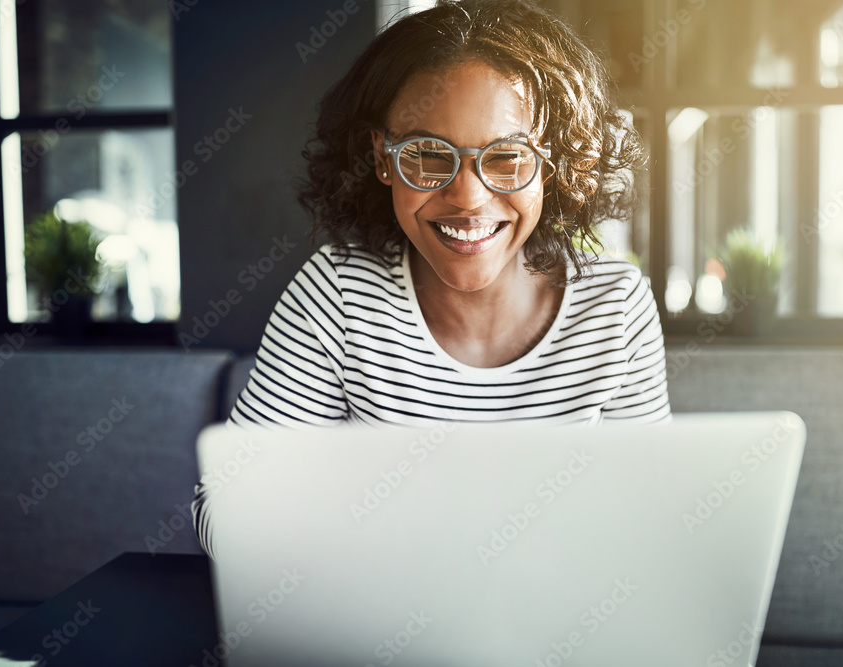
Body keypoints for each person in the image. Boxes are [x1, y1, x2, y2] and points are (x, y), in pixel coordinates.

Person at [193, 0, 670, 558]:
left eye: (507, 158)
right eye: (426, 155)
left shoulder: (615, 306)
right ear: (382, 156)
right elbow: (218, 515)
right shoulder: (338, 292)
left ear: (553, 164)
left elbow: (652, 519)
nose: (467, 197)